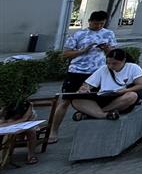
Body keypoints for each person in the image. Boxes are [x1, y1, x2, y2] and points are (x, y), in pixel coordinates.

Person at [48, 10, 115, 142]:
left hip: (97, 73)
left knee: (97, 100)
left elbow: (113, 53)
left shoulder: (108, 34)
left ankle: (92, 131)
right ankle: (53, 131)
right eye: (96, 23)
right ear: (89, 21)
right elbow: (65, 53)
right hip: (76, 72)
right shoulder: (78, 34)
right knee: (65, 101)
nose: (98, 26)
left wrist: (106, 49)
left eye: (101, 24)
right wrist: (83, 50)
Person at [70, 49, 142, 121]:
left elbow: (140, 85)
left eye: (114, 63)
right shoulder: (104, 69)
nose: (110, 66)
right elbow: (88, 84)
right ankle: (104, 114)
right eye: (108, 63)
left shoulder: (133, 67)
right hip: (103, 97)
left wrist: (124, 91)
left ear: (123, 60)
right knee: (76, 101)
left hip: (121, 98)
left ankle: (95, 113)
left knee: (132, 96)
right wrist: (84, 88)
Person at [0, 100, 40, 166]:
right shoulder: (4, 105)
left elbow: (25, 119)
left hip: (27, 123)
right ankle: (3, 156)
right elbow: (2, 120)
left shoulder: (27, 104)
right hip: (9, 122)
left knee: (31, 131)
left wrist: (9, 123)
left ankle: (31, 155)